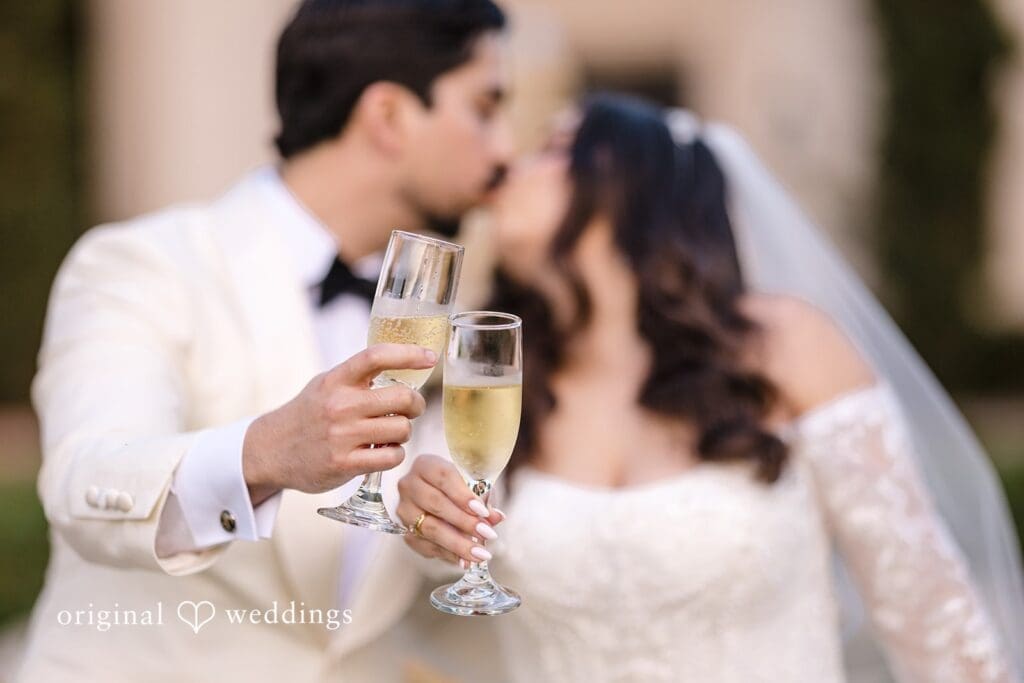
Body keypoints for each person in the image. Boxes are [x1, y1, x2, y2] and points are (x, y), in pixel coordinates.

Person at [396, 94, 1024, 682]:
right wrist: (425, 522)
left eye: (554, 148)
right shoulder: (498, 386)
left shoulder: (784, 349)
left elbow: (932, 619)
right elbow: (430, 562)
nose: (510, 165)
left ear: (631, 188)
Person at [17, 1, 511, 681]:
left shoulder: (446, 313)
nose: (504, 149)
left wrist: (431, 526)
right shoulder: (141, 263)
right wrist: (265, 452)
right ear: (389, 116)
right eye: (484, 107)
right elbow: (84, 481)